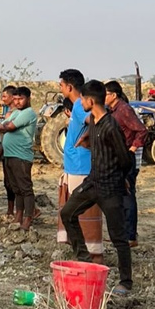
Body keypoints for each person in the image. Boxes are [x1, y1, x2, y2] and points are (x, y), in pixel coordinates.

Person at [61, 80, 134, 296]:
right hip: (92, 182)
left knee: (118, 236)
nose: (80, 102)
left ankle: (126, 282)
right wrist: (87, 139)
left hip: (110, 187)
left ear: (90, 101)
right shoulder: (93, 120)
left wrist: (122, 180)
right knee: (67, 213)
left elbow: (125, 159)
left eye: (83, 99)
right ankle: (84, 259)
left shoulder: (111, 126)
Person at [57, 69, 104, 263]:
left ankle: (92, 255)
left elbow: (97, 120)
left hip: (81, 166)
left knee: (82, 214)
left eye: (61, 85)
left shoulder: (78, 106)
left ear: (69, 87)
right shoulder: (77, 106)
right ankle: (86, 254)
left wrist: (88, 137)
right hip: (76, 165)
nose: (60, 89)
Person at [105, 81, 147, 247]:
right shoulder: (112, 110)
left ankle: (130, 236)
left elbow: (142, 130)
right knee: (118, 197)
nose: (103, 97)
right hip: (117, 157)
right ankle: (122, 233)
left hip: (126, 158)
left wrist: (132, 149)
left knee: (127, 196)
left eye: (105, 94)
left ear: (114, 95)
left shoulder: (124, 110)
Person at [0, 87, 38, 230]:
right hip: (10, 155)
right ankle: (18, 215)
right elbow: (0, 127)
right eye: (15, 99)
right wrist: (5, 126)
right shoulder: (16, 113)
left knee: (25, 189)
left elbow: (10, 126)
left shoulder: (28, 113)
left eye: (21, 99)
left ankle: (28, 217)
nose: (17, 102)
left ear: (28, 99)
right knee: (16, 189)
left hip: (21, 156)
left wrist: (7, 126)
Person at [0, 85, 18, 216]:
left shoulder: (14, 114)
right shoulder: (10, 112)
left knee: (14, 183)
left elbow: (6, 134)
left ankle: (22, 211)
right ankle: (11, 210)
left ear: (12, 97)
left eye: (5, 96)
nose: (2, 99)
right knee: (9, 183)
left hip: (13, 151)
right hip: (8, 150)